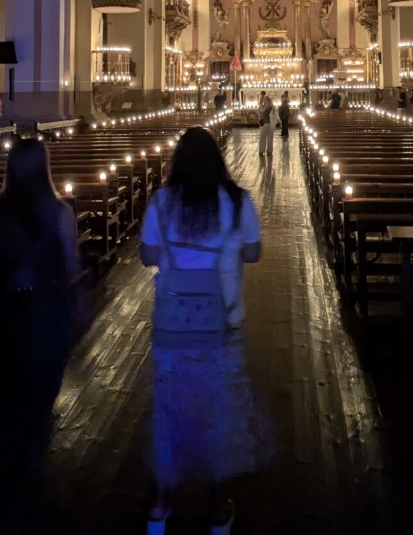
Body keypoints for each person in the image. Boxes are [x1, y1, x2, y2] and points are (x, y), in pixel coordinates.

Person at [140, 127, 262, 535]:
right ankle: (215, 503)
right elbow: (254, 252)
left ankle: (160, 502)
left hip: (173, 321)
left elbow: (147, 255)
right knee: (217, 411)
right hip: (223, 320)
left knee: (168, 408)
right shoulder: (236, 200)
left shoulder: (162, 202)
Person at [0, 138, 80, 534]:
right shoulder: (60, 212)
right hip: (42, 316)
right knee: (36, 400)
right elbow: (70, 265)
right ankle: (28, 478)